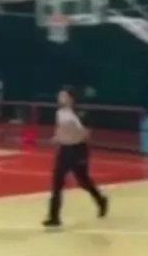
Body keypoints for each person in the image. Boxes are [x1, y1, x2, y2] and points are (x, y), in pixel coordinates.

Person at [44, 86, 108, 228]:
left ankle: (101, 200)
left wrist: (72, 137)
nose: (61, 98)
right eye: (60, 95)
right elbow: (60, 130)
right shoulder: (59, 113)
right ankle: (54, 217)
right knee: (57, 182)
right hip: (64, 150)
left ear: (71, 98)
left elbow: (86, 133)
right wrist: (57, 138)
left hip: (77, 150)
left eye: (64, 96)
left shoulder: (79, 113)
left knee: (83, 180)